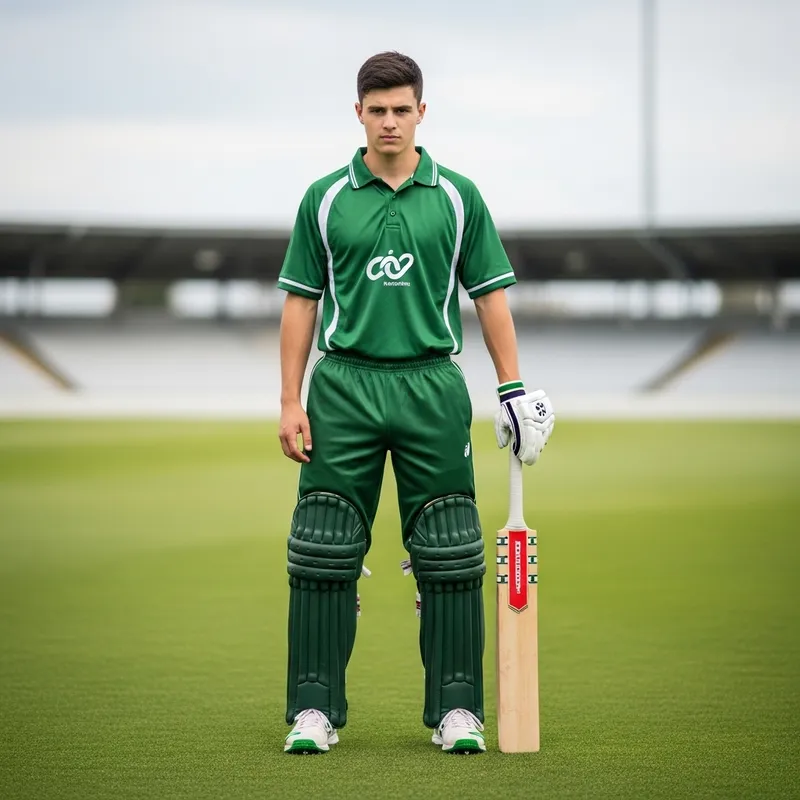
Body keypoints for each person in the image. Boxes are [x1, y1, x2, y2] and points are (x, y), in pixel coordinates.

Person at [277, 51, 555, 755]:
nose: (391, 122)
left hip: (432, 383)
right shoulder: (325, 198)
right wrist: (289, 399)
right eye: (378, 110)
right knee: (324, 545)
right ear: (359, 114)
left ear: (422, 113)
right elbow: (300, 303)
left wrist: (513, 389)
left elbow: (490, 297)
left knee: (450, 552)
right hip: (343, 385)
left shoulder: (458, 195)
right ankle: (315, 712)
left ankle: (456, 712)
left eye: (403, 109)